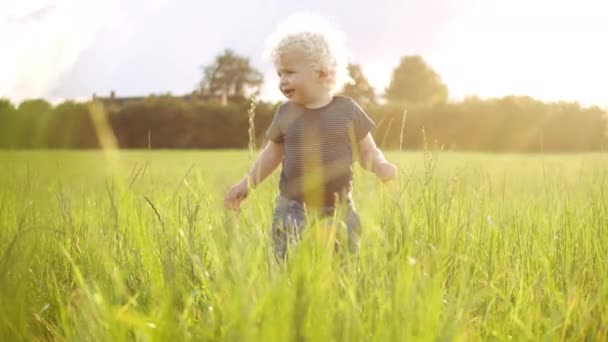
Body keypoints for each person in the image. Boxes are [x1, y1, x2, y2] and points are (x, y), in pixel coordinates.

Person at [224, 14, 397, 260]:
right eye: (280, 74)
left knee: (344, 262)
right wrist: (246, 184)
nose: (283, 81)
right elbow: (271, 154)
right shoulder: (286, 114)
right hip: (292, 207)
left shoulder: (347, 110)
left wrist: (380, 165)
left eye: (290, 73)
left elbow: (367, 151)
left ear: (323, 74)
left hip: (339, 207)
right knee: (286, 262)